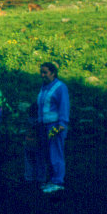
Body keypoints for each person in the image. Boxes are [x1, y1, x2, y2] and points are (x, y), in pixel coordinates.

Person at [36, 62, 70, 193]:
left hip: (55, 126)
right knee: (48, 154)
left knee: (56, 153)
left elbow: (64, 105)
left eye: (45, 72)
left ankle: (58, 182)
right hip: (43, 125)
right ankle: (51, 180)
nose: (42, 75)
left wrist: (62, 124)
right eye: (41, 72)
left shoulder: (60, 87)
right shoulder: (44, 87)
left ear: (53, 73)